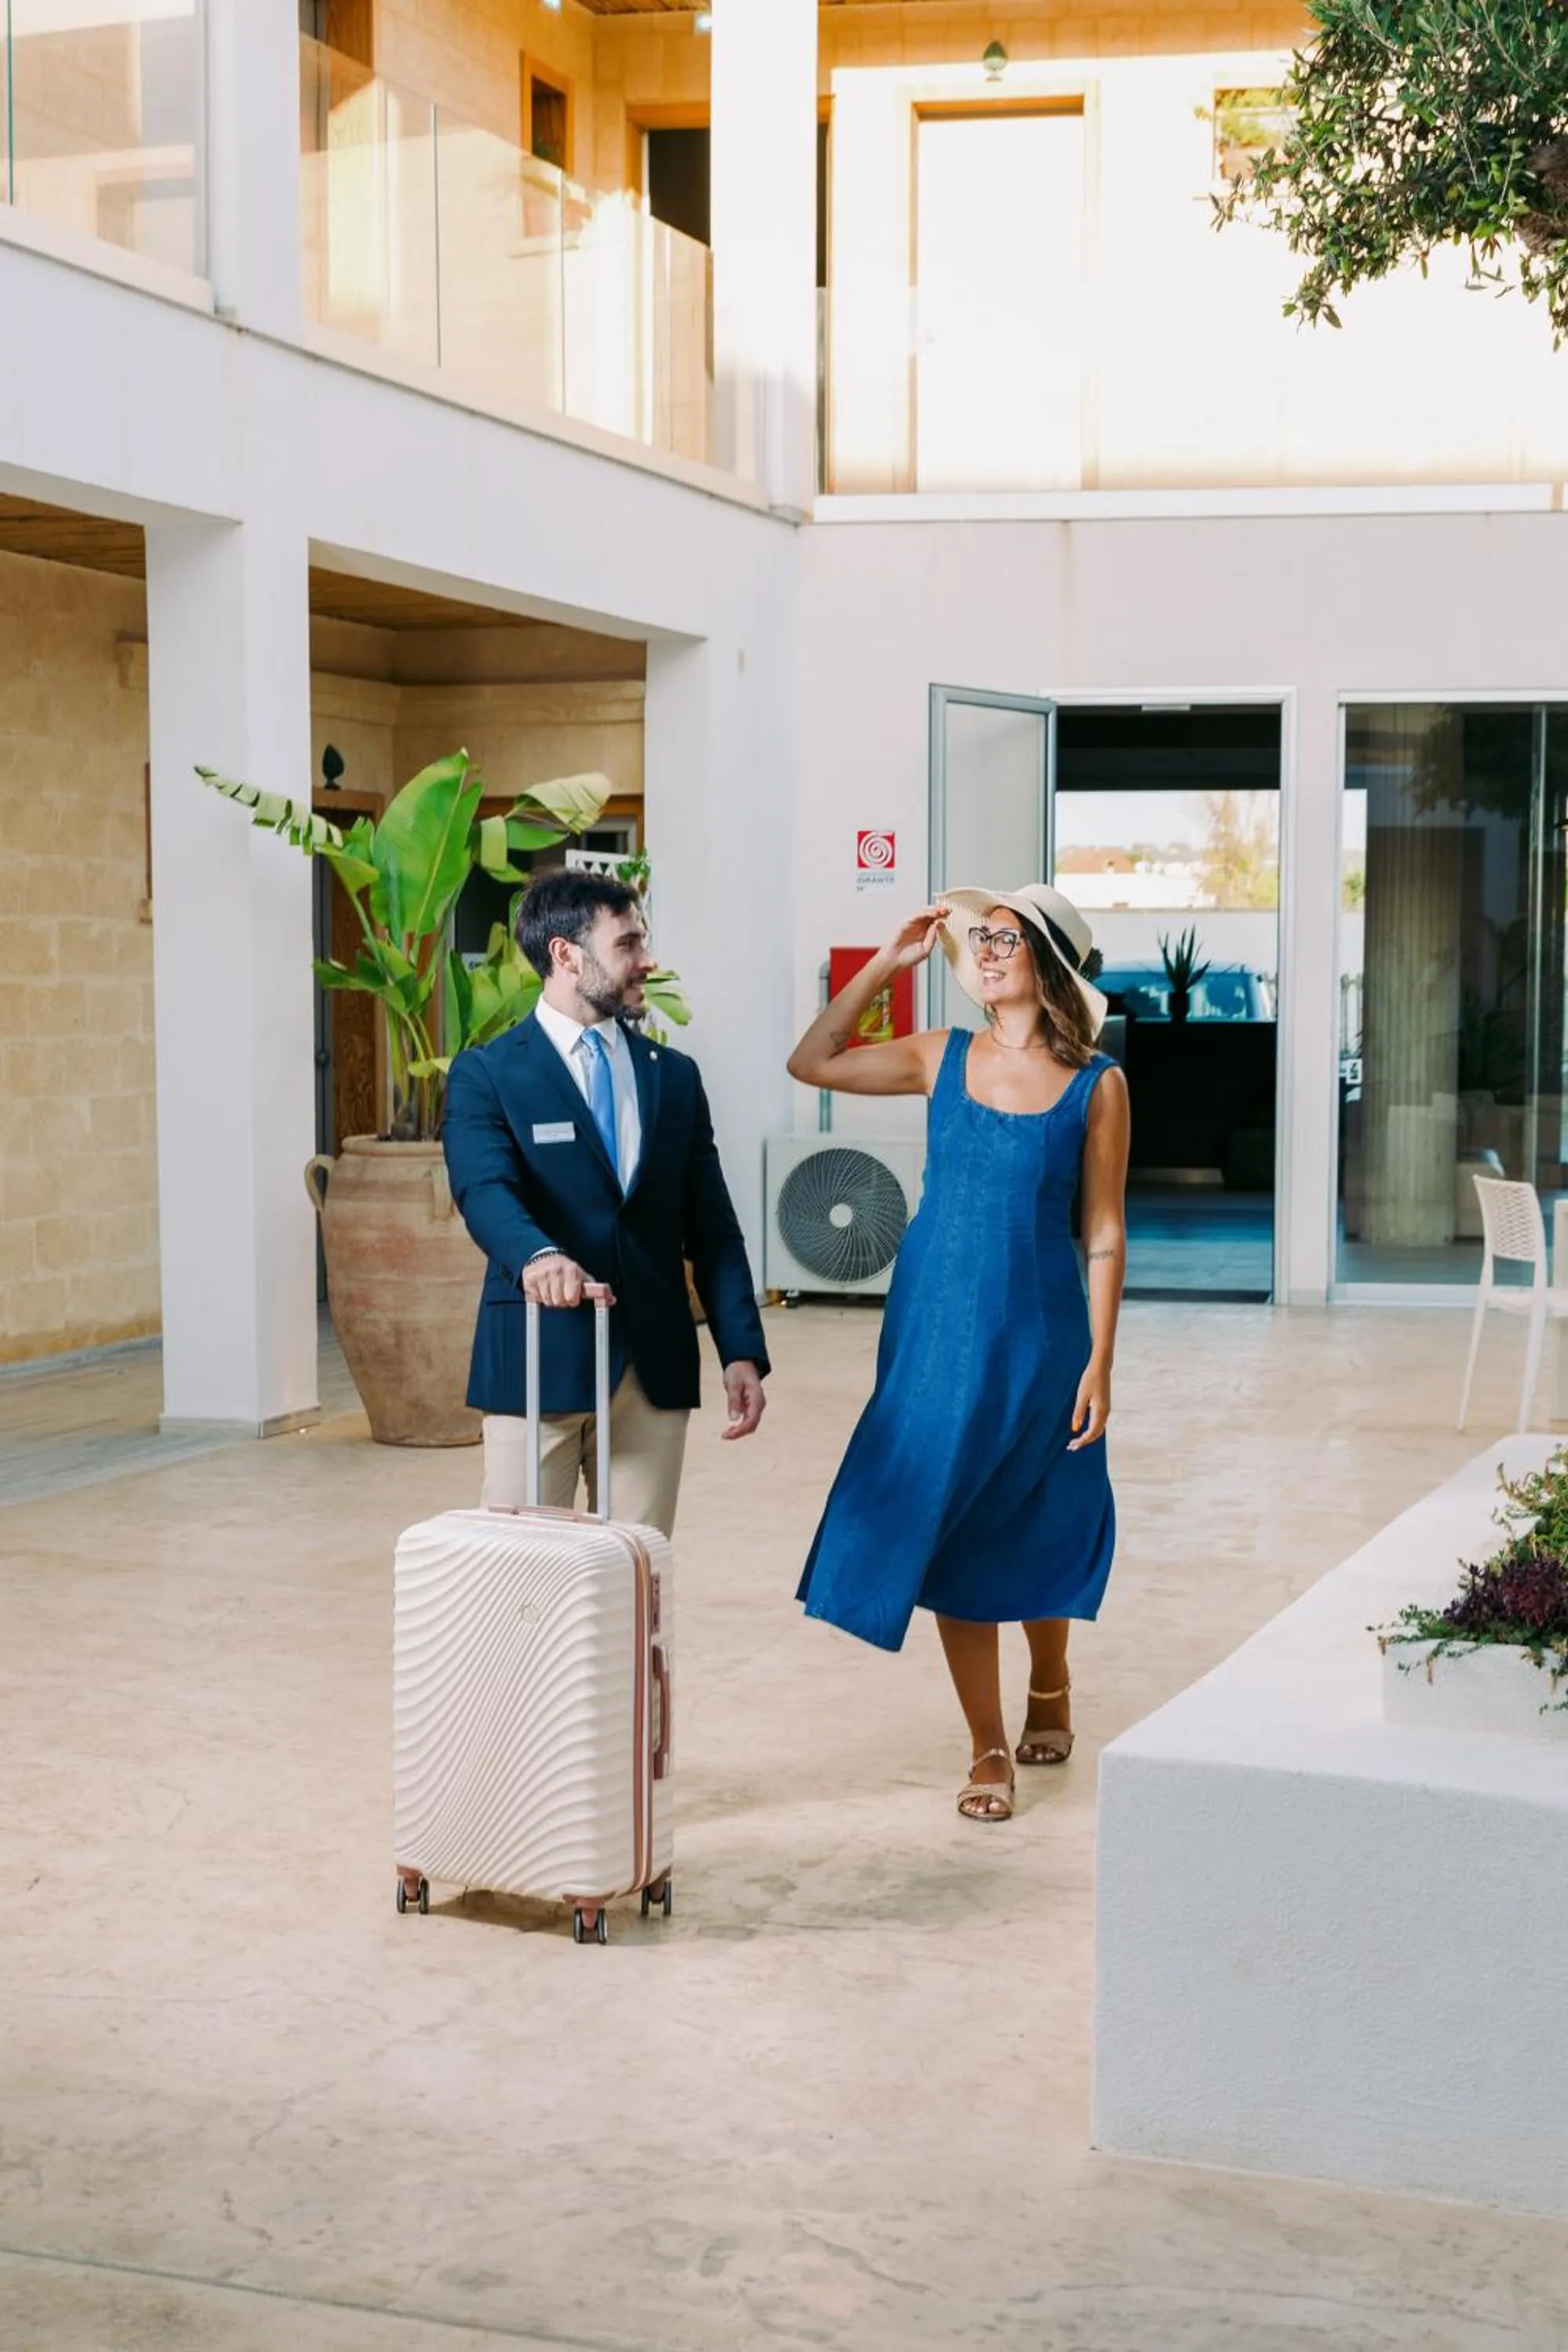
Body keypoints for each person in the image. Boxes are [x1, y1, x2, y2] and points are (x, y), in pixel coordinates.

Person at [789, 884, 1129, 1822]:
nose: (983, 950)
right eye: (978, 937)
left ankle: (1050, 1682)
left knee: (1041, 1510)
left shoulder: (1097, 1085)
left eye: (1006, 939)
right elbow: (810, 1060)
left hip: (1044, 1329)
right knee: (953, 1517)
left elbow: (1102, 1230)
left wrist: (1100, 1360)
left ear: (1048, 962)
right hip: (934, 1326)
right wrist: (887, 966)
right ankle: (985, 1743)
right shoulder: (939, 1057)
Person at [443, 869, 768, 1536]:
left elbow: (712, 1226)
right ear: (566, 955)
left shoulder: (673, 1079)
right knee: (524, 1578)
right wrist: (536, 1255)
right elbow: (484, 1189)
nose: (646, 960)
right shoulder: (489, 1075)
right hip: (537, 1359)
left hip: (651, 1372)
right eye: (627, 945)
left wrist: (740, 1347)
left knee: (637, 1573)